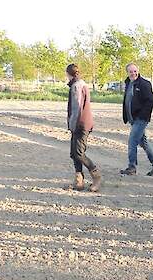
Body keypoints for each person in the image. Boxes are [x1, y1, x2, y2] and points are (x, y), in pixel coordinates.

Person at [62, 63, 102, 193]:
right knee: (74, 153)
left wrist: (72, 125)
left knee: (79, 153)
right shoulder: (80, 84)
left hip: (81, 124)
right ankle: (79, 180)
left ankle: (96, 176)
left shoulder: (76, 86)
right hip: (80, 123)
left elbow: (77, 108)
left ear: (68, 74)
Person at [120, 63, 153, 177]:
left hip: (141, 119)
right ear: (127, 73)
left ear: (138, 71)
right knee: (143, 142)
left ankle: (131, 167)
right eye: (130, 71)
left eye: (135, 71)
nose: (133, 73)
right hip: (132, 119)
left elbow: (150, 100)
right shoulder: (128, 83)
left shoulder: (144, 84)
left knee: (132, 141)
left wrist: (143, 115)